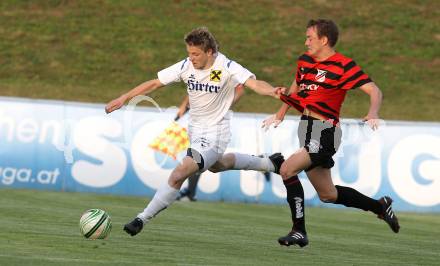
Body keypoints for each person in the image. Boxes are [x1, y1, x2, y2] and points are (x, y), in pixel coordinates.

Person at [105, 27, 284, 236]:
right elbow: (155, 83)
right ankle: (269, 163)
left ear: (210, 52)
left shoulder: (226, 65)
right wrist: (123, 98)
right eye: (189, 53)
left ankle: (141, 218)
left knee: (180, 172)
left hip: (216, 133)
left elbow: (253, 83)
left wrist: (272, 90)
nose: (191, 58)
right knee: (217, 165)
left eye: (196, 54)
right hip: (196, 132)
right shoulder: (186, 65)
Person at [262, 19, 400, 248]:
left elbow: (374, 89)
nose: (305, 42)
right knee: (328, 194)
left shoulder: (343, 65)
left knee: (287, 169)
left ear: (324, 40)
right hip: (306, 127)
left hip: (325, 131)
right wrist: (281, 112)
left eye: (310, 38)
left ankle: (298, 231)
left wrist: (373, 112)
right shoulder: (304, 61)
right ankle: (380, 206)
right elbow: (297, 84)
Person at [175, 84, 245, 202]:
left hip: (214, 125)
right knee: (213, 163)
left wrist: (225, 106)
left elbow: (240, 89)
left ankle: (190, 192)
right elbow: (195, 88)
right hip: (198, 120)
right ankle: (190, 192)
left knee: (198, 156)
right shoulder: (202, 71)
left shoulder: (226, 69)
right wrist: (184, 105)